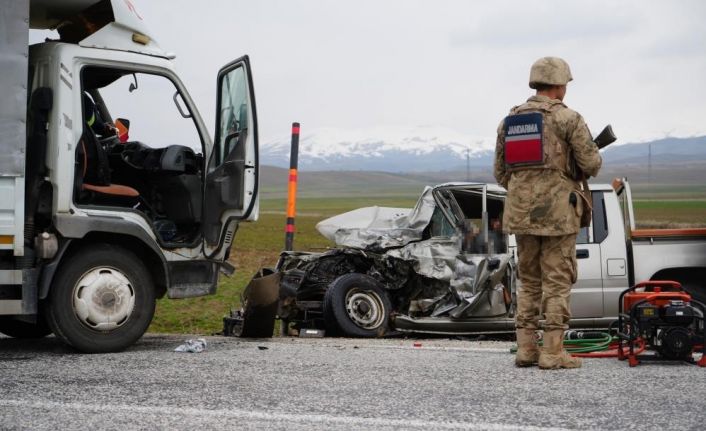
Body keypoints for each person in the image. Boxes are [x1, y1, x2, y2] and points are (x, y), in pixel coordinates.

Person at [494, 57, 602, 369]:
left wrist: (528, 188)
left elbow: (501, 173)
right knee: (557, 281)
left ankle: (526, 349)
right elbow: (592, 165)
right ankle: (553, 352)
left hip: (521, 213)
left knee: (528, 281)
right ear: (558, 85)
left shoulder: (510, 121)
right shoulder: (568, 119)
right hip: (558, 215)